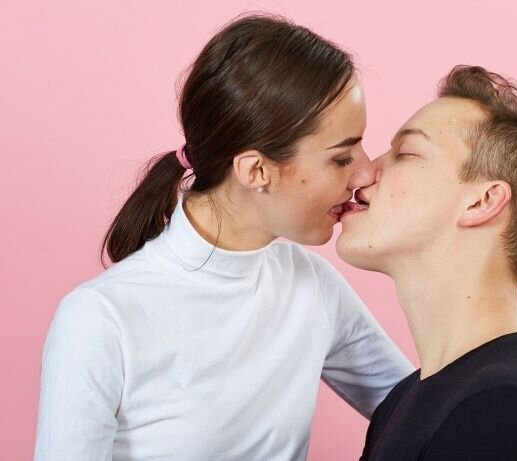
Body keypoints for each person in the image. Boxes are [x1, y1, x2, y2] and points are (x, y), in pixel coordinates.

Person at [34, 14, 413, 461]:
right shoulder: (99, 320)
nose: (366, 173)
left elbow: (425, 413)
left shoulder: (311, 286)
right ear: (256, 171)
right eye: (342, 157)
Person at [336, 65, 517, 460]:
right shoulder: (400, 404)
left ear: (483, 201)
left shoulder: (514, 413)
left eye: (406, 153)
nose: (364, 171)